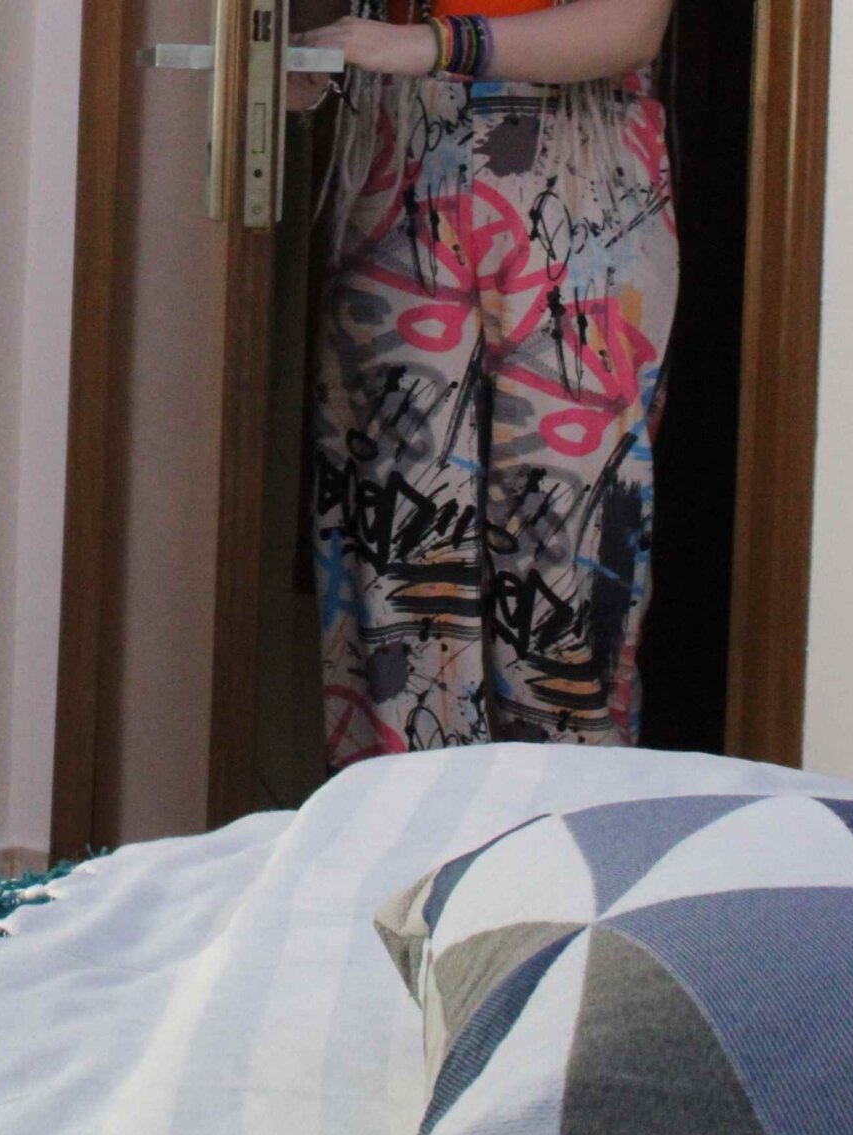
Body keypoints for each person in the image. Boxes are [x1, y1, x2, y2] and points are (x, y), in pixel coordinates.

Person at [291, 0, 679, 766]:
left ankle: (563, 817)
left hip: (585, 157)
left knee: (566, 544)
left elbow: (632, 22)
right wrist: (298, 51)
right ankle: (410, 821)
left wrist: (432, 45)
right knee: (400, 543)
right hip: (400, 140)